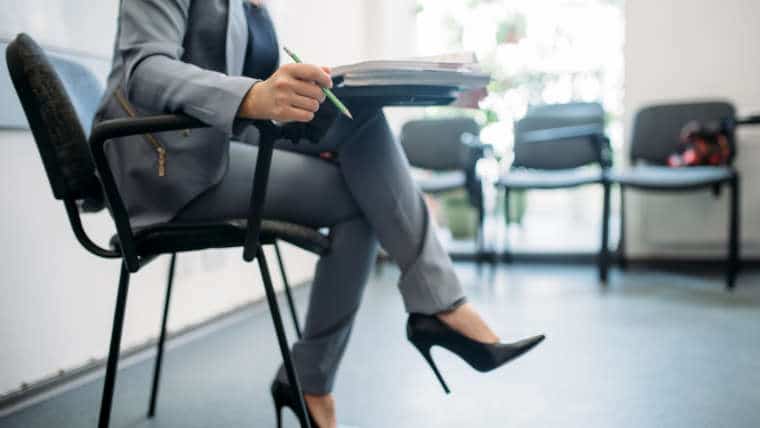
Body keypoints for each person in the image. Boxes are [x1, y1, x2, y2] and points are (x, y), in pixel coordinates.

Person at [95, 1, 544, 426]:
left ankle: (434, 308)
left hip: (219, 148)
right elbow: (144, 68)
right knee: (359, 199)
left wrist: (438, 90)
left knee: (361, 125)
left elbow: (260, 90)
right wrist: (254, 94)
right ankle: (323, 375)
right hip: (167, 167)